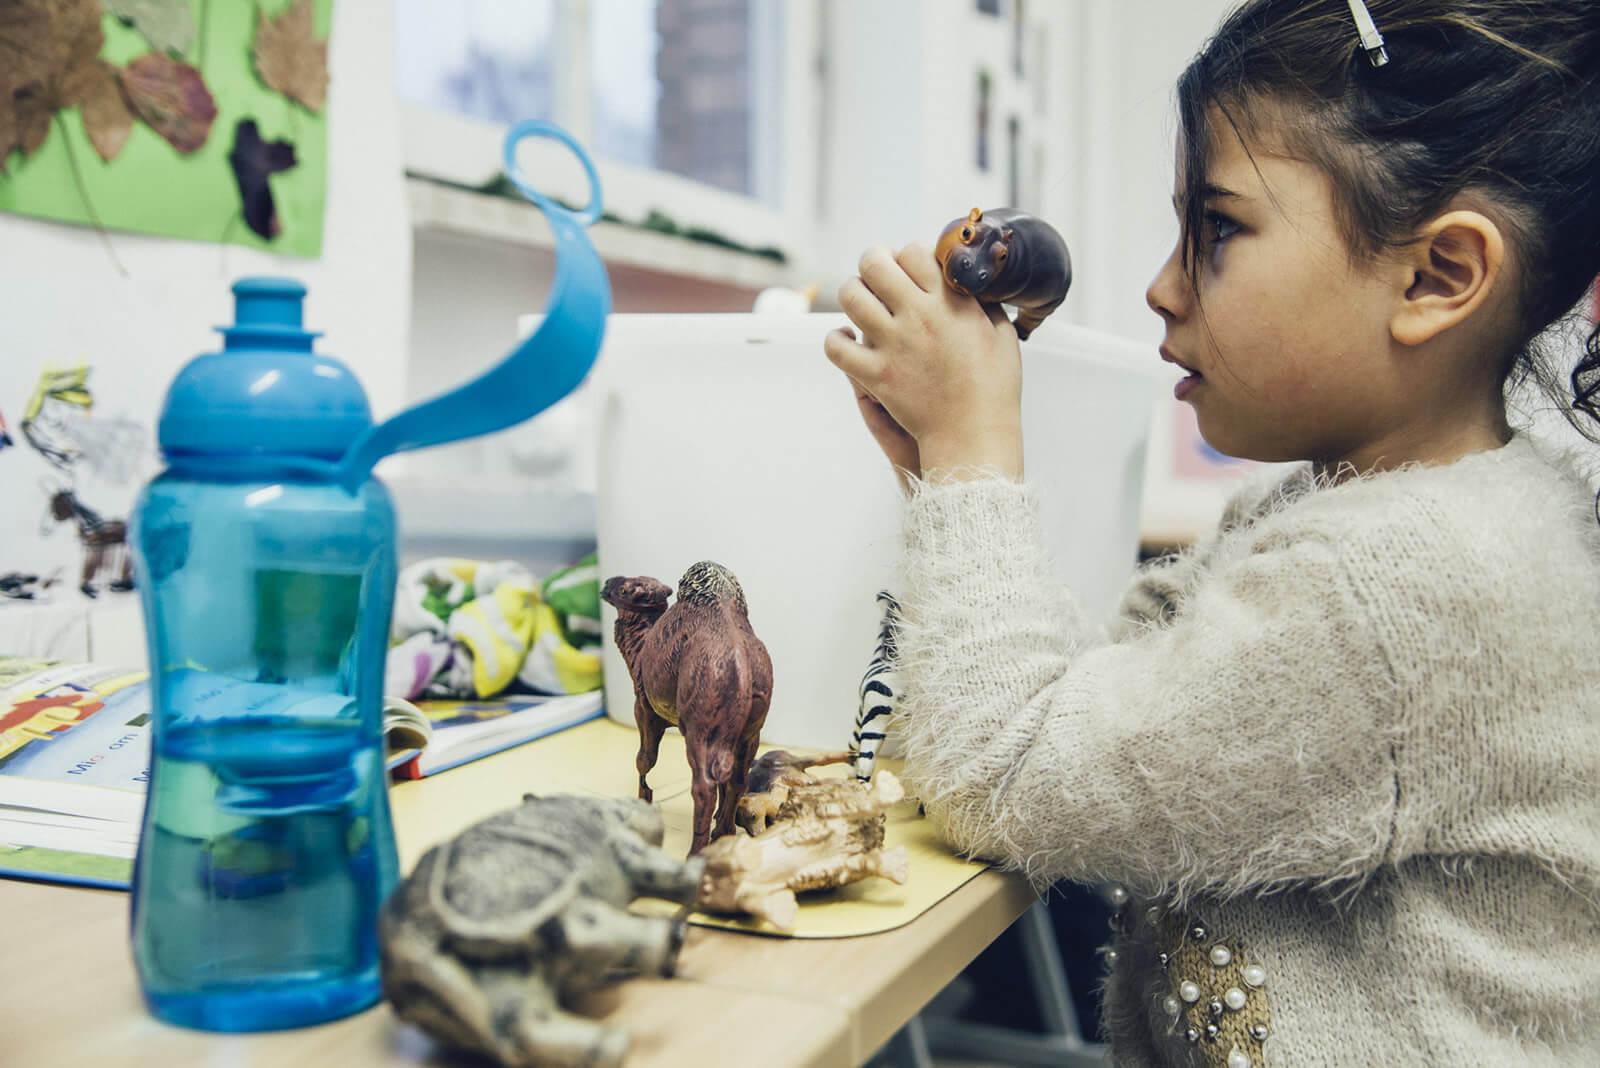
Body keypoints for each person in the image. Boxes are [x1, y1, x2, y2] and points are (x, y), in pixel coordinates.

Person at [823, 0, 1600, 1063]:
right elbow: (1078, 711)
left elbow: (1001, 776)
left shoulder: (1398, 586)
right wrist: (941, 470)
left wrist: (970, 451)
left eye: (1218, 229)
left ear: (1437, 277)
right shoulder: (1337, 514)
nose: (1159, 286)